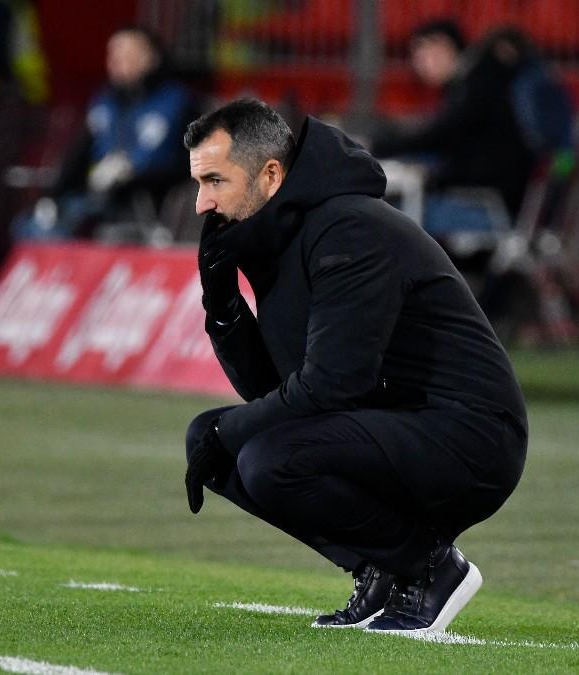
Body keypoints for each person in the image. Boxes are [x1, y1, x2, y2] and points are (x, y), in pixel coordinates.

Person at [182, 99, 527, 634]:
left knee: (268, 456)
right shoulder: (277, 235)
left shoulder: (348, 229)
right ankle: (382, 569)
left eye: (215, 181)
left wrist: (234, 431)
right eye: (198, 183)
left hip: (471, 435)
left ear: (270, 174)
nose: (202, 203)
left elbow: (333, 384)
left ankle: (430, 567)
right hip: (394, 420)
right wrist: (222, 305)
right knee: (210, 439)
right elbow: (273, 390)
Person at [14, 26, 196, 241]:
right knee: (28, 226)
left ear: (152, 57)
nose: (116, 61)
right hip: (96, 199)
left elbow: (185, 165)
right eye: (113, 55)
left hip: (146, 205)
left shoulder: (179, 102)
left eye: (127, 54)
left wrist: (130, 177)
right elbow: (78, 155)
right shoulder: (105, 101)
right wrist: (52, 196)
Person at [371, 20, 534, 234]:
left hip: (484, 208)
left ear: (443, 47)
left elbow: (437, 135)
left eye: (422, 54)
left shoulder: (477, 87)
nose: (418, 64)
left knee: (383, 219)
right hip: (484, 201)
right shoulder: (473, 83)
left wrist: (375, 146)